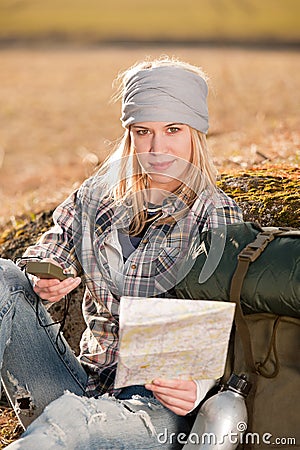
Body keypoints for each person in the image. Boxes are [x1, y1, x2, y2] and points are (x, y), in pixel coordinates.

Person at [0, 56, 243, 449]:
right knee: (3, 278)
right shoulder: (99, 196)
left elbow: (224, 320)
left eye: (173, 130)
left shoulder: (216, 216)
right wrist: (44, 275)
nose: (157, 147)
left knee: (69, 419)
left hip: (157, 411)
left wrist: (198, 385)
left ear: (195, 133)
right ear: (129, 133)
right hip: (86, 383)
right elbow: (55, 241)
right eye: (143, 131)